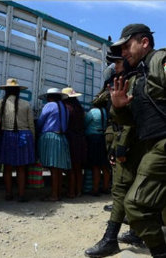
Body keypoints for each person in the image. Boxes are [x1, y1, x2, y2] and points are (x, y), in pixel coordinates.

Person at [109, 24, 166, 257]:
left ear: (144, 42)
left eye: (126, 46)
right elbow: (133, 121)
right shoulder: (139, 76)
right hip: (150, 145)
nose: (123, 53)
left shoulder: (160, 61)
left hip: (162, 146)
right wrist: (119, 107)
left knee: (135, 204)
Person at [85, 49, 145, 258]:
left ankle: (110, 239)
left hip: (131, 145)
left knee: (120, 191)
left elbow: (131, 120)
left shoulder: (131, 82)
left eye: (118, 63)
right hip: (129, 143)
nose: (115, 67)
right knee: (131, 193)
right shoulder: (129, 79)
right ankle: (136, 233)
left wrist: (120, 147)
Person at [0, 78, 35, 202]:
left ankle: (8, 193)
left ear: (6, 90)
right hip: (24, 136)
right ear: (18, 91)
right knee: (21, 168)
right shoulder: (27, 104)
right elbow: (31, 124)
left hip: (7, 136)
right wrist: (33, 140)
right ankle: (21, 194)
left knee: (7, 167)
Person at [37, 88, 71, 201]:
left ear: (50, 97)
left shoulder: (50, 105)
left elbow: (41, 121)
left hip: (51, 137)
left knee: (53, 168)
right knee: (59, 169)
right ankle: (58, 193)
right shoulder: (65, 107)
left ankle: (54, 195)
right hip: (62, 138)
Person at [62, 87, 87, 198]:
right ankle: (78, 191)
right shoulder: (80, 109)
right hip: (81, 139)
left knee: (71, 168)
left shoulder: (66, 109)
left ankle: (71, 192)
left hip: (71, 139)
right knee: (78, 168)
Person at [84, 102, 111, 196]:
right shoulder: (104, 111)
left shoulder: (92, 112)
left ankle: (95, 189)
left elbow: (85, 123)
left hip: (93, 139)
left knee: (95, 165)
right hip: (102, 138)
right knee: (104, 164)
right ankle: (106, 187)